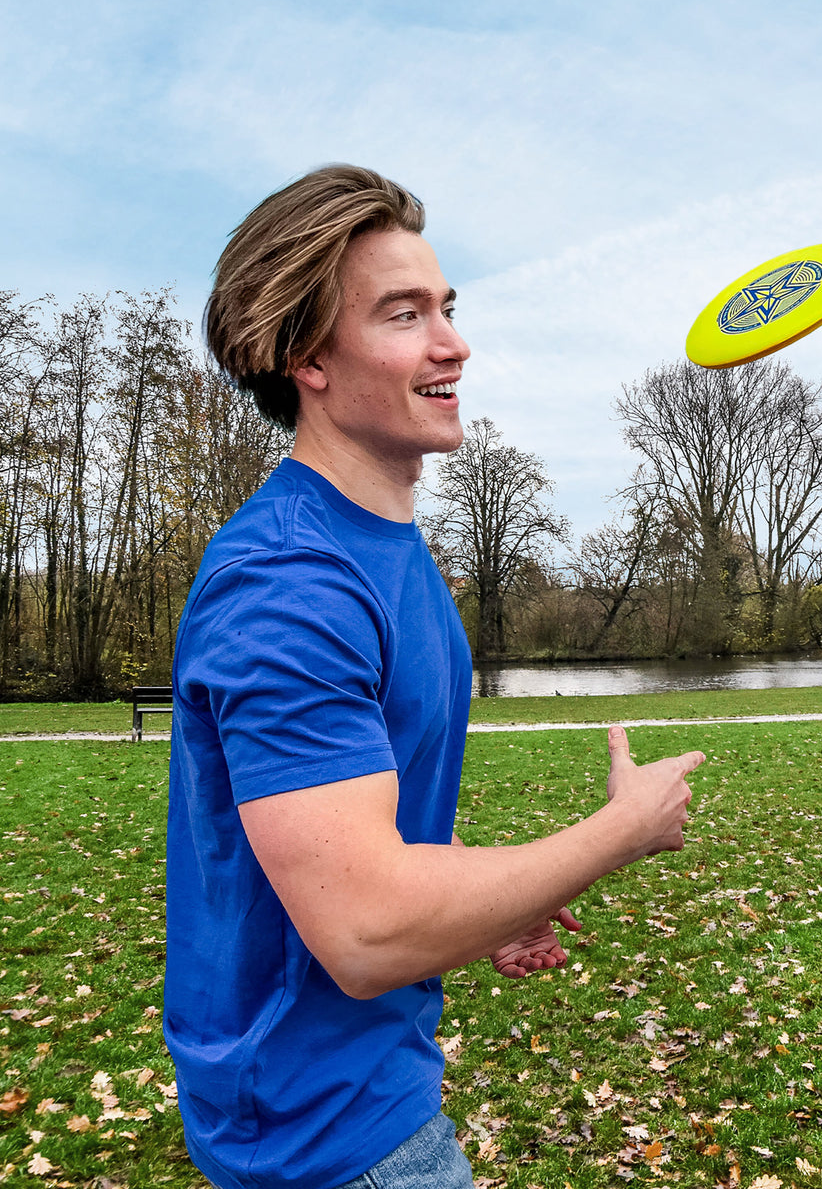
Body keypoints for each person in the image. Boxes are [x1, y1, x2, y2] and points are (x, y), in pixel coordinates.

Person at [164, 164, 705, 1189]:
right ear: (305, 356)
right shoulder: (290, 587)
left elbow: (378, 820)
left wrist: (495, 903)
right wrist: (616, 835)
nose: (453, 343)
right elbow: (366, 928)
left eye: (447, 308)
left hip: (366, 1089)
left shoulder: (391, 552)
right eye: (403, 314)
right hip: (320, 1135)